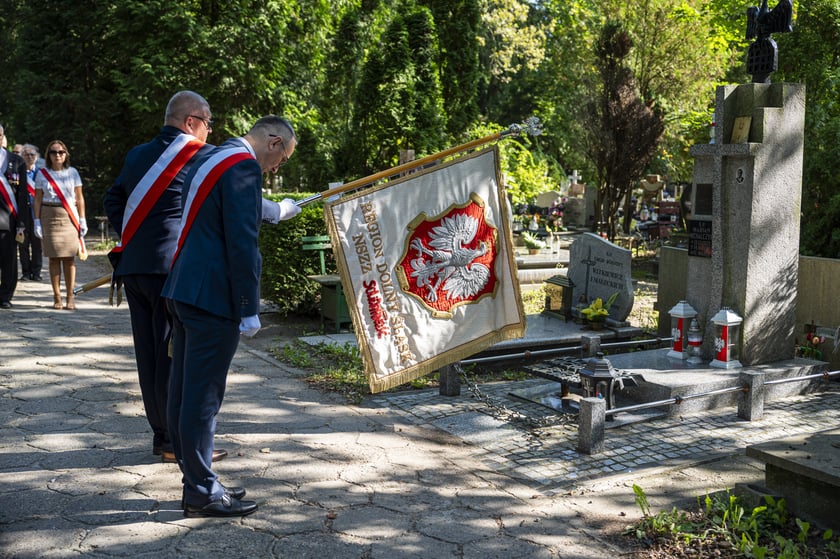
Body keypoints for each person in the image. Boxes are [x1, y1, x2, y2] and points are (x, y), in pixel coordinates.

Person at [103, 91, 297, 465]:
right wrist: (275, 210)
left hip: (134, 268)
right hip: (175, 271)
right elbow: (234, 203)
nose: (211, 131)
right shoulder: (200, 154)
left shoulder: (137, 153)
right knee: (175, 361)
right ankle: (181, 445)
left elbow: (114, 200)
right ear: (192, 122)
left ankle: (163, 437)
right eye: (208, 123)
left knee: (148, 355)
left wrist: (138, 240)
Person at [162, 115, 301, 518]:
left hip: (185, 287)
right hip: (212, 296)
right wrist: (249, 307)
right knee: (203, 398)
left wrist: (272, 209)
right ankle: (202, 491)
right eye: (282, 159)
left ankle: (198, 481)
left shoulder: (217, 154)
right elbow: (242, 244)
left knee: (183, 393)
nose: (276, 168)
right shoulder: (243, 166)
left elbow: (223, 206)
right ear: (273, 142)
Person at [33, 140, 87, 310]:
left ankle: (70, 296)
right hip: (49, 216)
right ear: (48, 155)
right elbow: (38, 199)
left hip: (69, 216)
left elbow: (79, 198)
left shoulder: (73, 172)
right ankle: (57, 297)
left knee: (69, 258)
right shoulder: (42, 174)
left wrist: (82, 219)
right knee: (54, 257)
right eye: (53, 152)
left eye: (61, 152)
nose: (58, 155)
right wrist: (36, 221)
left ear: (66, 154)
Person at [0, 126, 29, 308]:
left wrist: (22, 223)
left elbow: (22, 195)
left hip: (8, 219)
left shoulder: (16, 161)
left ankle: (4, 296)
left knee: (8, 260)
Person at [18, 144, 43, 281]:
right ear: (22, 157)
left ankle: (37, 272)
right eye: (26, 154)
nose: (29, 157)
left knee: (37, 245)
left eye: (32, 154)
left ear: (37, 157)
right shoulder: (17, 172)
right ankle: (26, 273)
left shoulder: (41, 173)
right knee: (23, 244)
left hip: (37, 213)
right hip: (22, 214)